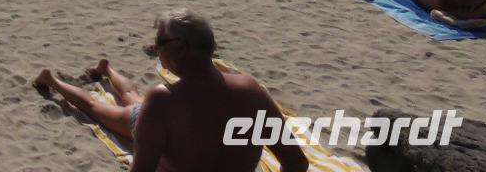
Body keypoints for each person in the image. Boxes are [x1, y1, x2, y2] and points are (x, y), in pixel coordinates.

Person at [34, 12, 308, 172]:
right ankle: (106, 69)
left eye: (159, 43)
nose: (156, 49)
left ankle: (52, 80)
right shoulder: (250, 90)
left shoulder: (163, 99)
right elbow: (296, 163)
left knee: (101, 109)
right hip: (156, 115)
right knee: (133, 101)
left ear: (180, 48)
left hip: (154, 116)